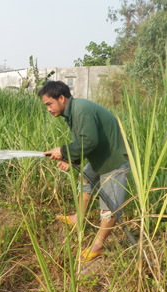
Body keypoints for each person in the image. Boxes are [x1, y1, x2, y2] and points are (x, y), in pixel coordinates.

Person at [39, 81, 130, 263]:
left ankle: (99, 246)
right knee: (85, 179)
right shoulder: (71, 112)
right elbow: (83, 142)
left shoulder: (81, 109)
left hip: (115, 159)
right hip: (101, 156)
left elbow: (89, 142)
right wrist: (70, 158)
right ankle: (77, 218)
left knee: (110, 206)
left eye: (49, 104)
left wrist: (63, 151)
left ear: (61, 98)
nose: (48, 109)